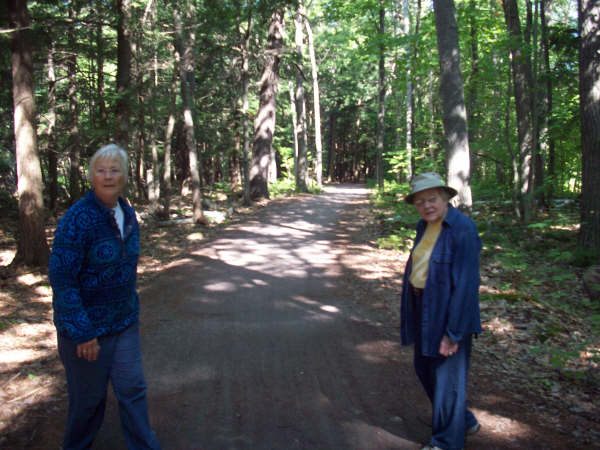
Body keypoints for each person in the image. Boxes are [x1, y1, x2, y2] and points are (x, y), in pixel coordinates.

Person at [49, 144, 160, 450]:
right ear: (91, 176)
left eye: (114, 170)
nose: (108, 176)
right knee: (88, 401)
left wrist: (131, 309)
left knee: (132, 389)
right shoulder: (77, 219)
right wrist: (83, 333)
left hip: (123, 323)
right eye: (101, 170)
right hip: (85, 332)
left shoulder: (127, 212)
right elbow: (62, 280)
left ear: (125, 175)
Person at [400, 172, 482, 450]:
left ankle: (446, 442)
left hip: (448, 312)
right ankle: (464, 421)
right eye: (420, 201)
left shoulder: (463, 230)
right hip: (422, 305)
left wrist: (454, 333)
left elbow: (467, 286)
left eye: (432, 199)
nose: (426, 206)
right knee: (423, 367)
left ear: (446, 198)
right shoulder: (423, 227)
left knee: (446, 378)